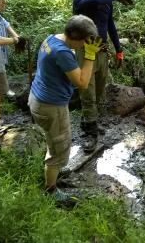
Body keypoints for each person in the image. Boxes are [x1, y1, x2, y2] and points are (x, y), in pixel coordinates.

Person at [28, 15, 101, 202]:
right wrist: (90, 56)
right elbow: (83, 83)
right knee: (59, 149)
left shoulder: (51, 39)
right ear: (77, 38)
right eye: (85, 42)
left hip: (38, 98)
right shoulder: (63, 53)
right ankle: (51, 191)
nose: (85, 46)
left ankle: (54, 169)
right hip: (51, 106)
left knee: (52, 140)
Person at [72, 0, 132, 151]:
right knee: (87, 91)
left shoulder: (106, 1)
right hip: (84, 50)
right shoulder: (81, 1)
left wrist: (118, 49)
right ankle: (90, 134)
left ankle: (88, 122)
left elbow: (110, 24)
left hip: (101, 51)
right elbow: (95, 0)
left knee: (99, 90)